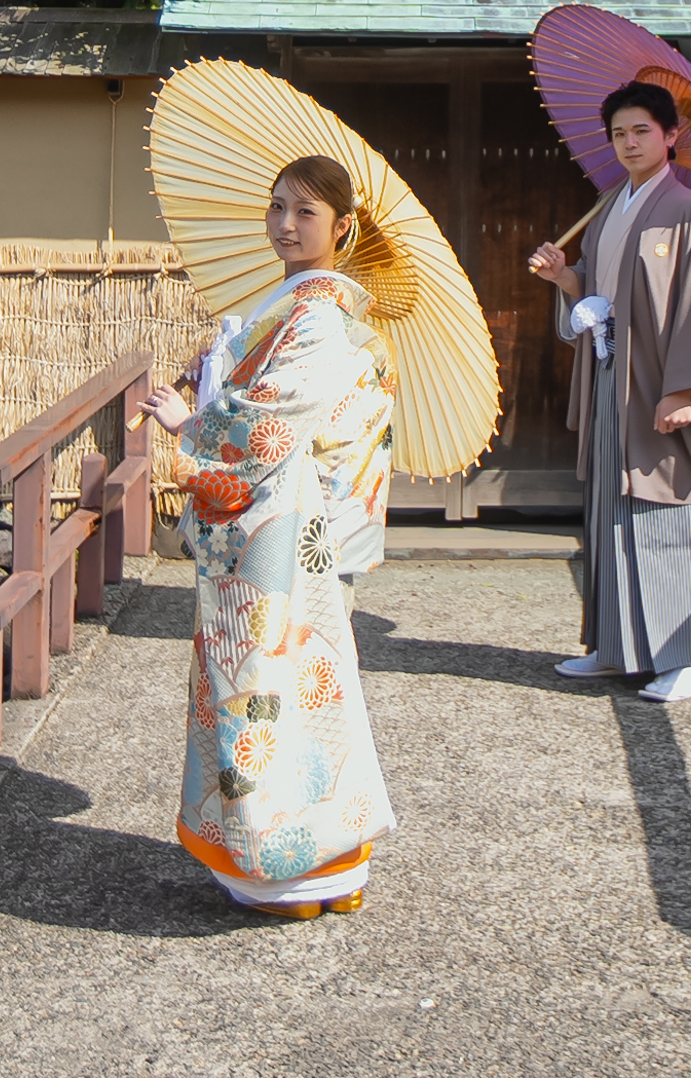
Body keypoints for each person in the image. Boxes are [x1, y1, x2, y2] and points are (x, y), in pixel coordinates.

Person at [137, 155, 398, 917]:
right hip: (292, 524)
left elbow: (271, 419)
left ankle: (279, 869)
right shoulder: (305, 304)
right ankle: (330, 864)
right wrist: (223, 360)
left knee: (263, 689)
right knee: (306, 689)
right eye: (278, 207)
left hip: (280, 531)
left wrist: (197, 422)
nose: (286, 224)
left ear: (342, 227)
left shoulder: (317, 312)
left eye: (306, 213)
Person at [528, 81, 691, 703]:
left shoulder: (688, 214)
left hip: (658, 389)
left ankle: (689, 657)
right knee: (612, 514)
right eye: (618, 133)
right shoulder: (610, 208)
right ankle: (617, 647)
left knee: (667, 507)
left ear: (670, 136)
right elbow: (600, 295)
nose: (629, 143)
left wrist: (686, 392)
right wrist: (567, 278)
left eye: (641, 131)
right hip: (612, 382)